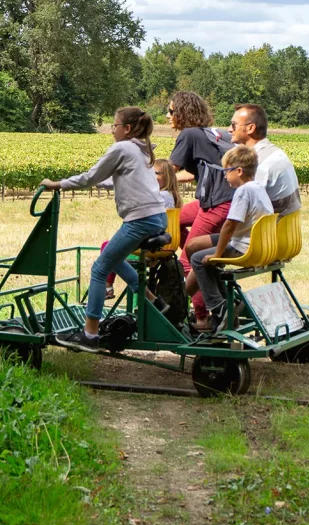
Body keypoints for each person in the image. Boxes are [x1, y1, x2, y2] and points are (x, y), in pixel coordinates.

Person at [40, 107, 168, 353]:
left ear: (127, 128)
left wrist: (56, 184)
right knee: (113, 255)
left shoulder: (122, 148)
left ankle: (89, 334)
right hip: (157, 218)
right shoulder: (142, 150)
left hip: (140, 219)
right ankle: (154, 302)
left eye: (114, 125)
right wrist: (92, 180)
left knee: (100, 268)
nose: (112, 130)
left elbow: (90, 176)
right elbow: (112, 179)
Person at [167, 90, 234, 329]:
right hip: (229, 200)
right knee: (172, 220)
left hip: (216, 203)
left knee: (187, 262)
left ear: (183, 112)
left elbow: (168, 170)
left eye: (171, 111)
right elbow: (199, 170)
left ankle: (203, 316)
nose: (167, 116)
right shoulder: (215, 133)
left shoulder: (188, 134)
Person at [188, 145, 274, 332]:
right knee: (200, 252)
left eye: (227, 171)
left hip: (244, 246)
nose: (225, 176)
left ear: (239, 171)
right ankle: (225, 304)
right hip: (254, 242)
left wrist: (217, 253)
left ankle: (219, 307)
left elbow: (230, 225)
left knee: (198, 259)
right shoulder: (258, 187)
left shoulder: (243, 191)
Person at [101, 156, 181, 300]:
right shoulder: (170, 195)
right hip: (160, 241)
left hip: (151, 241)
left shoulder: (160, 195)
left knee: (108, 248)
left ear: (167, 177)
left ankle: (108, 287)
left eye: (156, 173)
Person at [228, 103, 301, 217]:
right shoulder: (274, 152)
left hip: (267, 231)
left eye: (233, 125)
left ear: (250, 128)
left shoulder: (257, 163)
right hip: (285, 228)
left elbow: (244, 208)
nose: (229, 130)